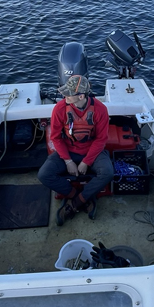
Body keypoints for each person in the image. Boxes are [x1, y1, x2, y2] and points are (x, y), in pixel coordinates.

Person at [38, 75, 115, 225]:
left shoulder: (100, 110)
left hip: (92, 151)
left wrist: (86, 162)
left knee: (108, 172)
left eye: (68, 93)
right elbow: (56, 138)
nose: (63, 95)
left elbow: (101, 140)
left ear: (81, 96)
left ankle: (74, 204)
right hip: (68, 151)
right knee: (44, 174)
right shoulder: (59, 109)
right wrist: (68, 161)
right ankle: (80, 198)